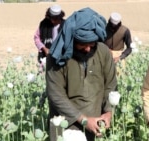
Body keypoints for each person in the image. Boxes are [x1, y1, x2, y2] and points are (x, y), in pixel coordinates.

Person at [46, 7, 117, 141]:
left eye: (92, 43)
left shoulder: (103, 52)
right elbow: (56, 95)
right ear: (71, 39)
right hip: (65, 124)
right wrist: (84, 120)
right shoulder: (56, 56)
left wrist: (108, 112)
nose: (88, 48)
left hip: (95, 124)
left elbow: (110, 85)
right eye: (83, 44)